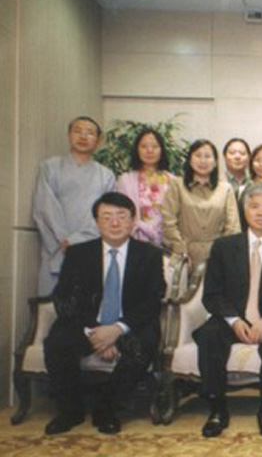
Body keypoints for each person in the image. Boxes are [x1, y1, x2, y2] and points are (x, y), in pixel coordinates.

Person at [44, 192, 165, 435]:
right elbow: (64, 298)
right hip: (87, 324)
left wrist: (117, 329)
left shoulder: (149, 255)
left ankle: (108, 409)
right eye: (107, 217)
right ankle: (70, 410)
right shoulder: (78, 254)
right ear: (97, 222)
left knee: (145, 344)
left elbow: (153, 300)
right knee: (57, 342)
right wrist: (95, 332)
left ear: (133, 221)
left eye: (122, 216)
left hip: (128, 326)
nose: (115, 223)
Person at [194, 183, 262, 438]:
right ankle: (217, 409)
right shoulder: (223, 247)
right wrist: (233, 320)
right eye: (254, 206)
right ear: (245, 211)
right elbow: (212, 294)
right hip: (231, 319)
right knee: (209, 334)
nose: (261, 212)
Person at [32, 116, 115, 296]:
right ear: (69, 135)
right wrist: (64, 240)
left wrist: (77, 240)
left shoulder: (106, 175)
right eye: (78, 131)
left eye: (90, 133)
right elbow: (44, 208)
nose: (83, 136)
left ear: (98, 140)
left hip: (91, 246)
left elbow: (107, 215)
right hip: (55, 247)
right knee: (49, 308)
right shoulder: (50, 167)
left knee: (87, 308)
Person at [161, 139, 240, 268]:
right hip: (183, 257)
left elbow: (233, 228)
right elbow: (168, 222)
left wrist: (220, 255)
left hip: (217, 258)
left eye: (208, 156)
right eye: (198, 156)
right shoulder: (177, 185)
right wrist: (181, 249)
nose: (203, 161)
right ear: (190, 160)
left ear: (215, 162)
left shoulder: (226, 189)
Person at [116, 128, 173, 247]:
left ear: (162, 150)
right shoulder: (125, 180)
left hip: (166, 243)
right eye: (144, 146)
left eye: (155, 146)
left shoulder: (173, 181)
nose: (149, 150)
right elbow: (121, 213)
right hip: (133, 241)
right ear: (137, 150)